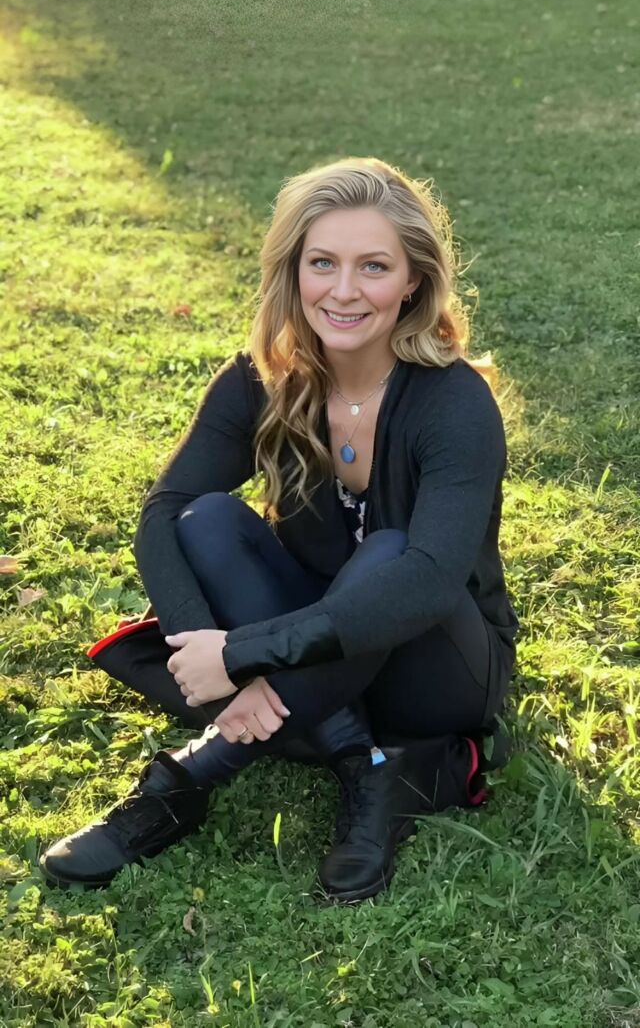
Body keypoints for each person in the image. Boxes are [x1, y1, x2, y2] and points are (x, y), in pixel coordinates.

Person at [39, 156, 519, 902]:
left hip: (436, 666)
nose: (344, 290)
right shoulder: (260, 379)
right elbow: (164, 511)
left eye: (374, 266)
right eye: (322, 262)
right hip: (312, 646)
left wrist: (240, 656)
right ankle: (365, 760)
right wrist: (200, 648)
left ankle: (195, 772)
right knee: (206, 519)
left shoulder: (453, 403)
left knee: (391, 554)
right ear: (293, 270)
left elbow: (427, 581)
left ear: (413, 281)